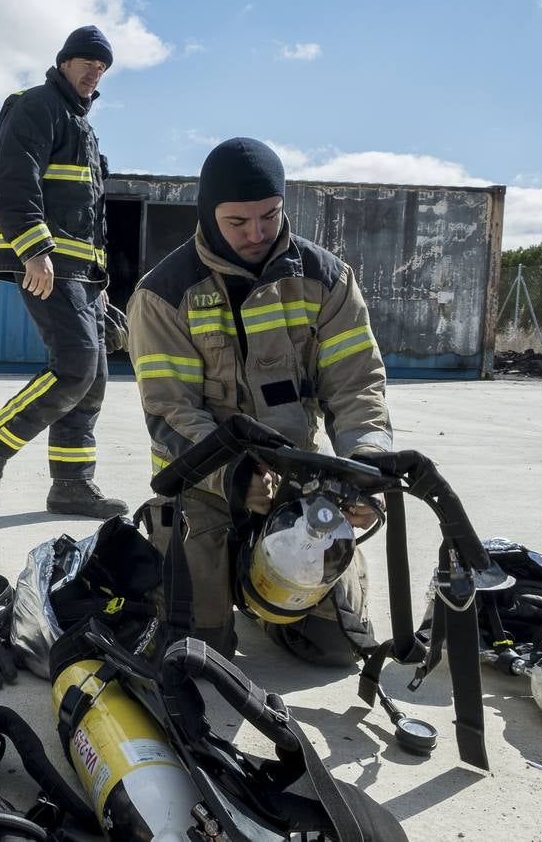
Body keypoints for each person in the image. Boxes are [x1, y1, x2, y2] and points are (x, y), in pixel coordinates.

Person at [127, 137, 392, 665]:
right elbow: (169, 413)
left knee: (336, 647)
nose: (257, 234)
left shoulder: (328, 280)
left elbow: (357, 386)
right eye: (237, 222)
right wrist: (234, 475)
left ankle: (258, 588)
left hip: (297, 482)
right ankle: (210, 583)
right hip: (202, 490)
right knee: (196, 655)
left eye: (269, 216)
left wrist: (364, 465)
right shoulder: (162, 296)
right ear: (208, 214)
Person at [0, 26, 126, 519]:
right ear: (64, 63)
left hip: (82, 274)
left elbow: (88, 216)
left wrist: (102, 289)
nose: (94, 73)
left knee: (92, 377)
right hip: (47, 264)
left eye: (101, 69)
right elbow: (14, 177)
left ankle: (72, 484)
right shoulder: (36, 105)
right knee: (75, 365)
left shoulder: (84, 129)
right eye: (87, 63)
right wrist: (33, 249)